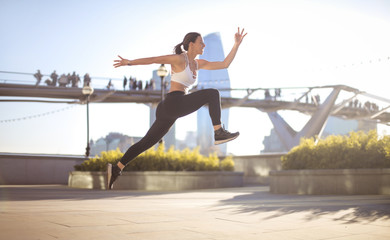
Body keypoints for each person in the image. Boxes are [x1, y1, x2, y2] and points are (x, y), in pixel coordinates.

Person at [108, 27, 247, 190]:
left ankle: (116, 168)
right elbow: (153, 59)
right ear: (191, 44)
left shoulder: (198, 64)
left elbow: (224, 64)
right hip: (174, 103)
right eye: (201, 42)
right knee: (212, 93)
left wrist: (236, 44)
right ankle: (218, 131)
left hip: (171, 109)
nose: (204, 46)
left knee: (146, 143)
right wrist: (128, 62)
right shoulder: (179, 59)